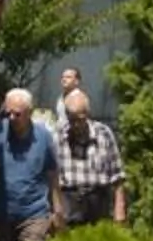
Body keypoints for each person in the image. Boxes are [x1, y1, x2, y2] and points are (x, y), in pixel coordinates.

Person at [0, 89, 57, 241]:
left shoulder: (44, 137)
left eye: (17, 114)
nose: (11, 119)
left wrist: (56, 210)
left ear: (29, 113)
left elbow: (52, 175)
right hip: (2, 214)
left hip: (34, 213)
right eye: (8, 113)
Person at [52, 88, 128, 230]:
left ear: (88, 114)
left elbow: (118, 176)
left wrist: (119, 209)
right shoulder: (58, 136)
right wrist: (56, 211)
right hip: (70, 201)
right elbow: (52, 178)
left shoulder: (104, 133)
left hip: (98, 200)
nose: (76, 125)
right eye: (72, 120)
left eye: (80, 120)